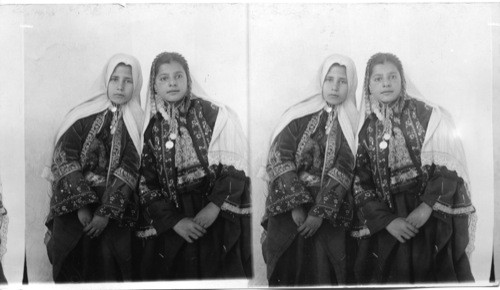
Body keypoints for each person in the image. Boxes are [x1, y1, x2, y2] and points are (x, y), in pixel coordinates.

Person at [351, 52, 476, 283]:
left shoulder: (426, 114)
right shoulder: (366, 129)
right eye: (378, 78)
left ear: (402, 80)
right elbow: (360, 182)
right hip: (389, 218)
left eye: (392, 77)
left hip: (427, 213)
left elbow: (447, 164)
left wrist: (427, 207)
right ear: (368, 85)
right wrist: (387, 221)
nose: (386, 83)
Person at [134, 52, 252, 280]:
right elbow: (146, 183)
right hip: (175, 217)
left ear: (188, 79)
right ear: (154, 86)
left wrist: (215, 206)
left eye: (178, 76)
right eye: (164, 78)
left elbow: (234, 162)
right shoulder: (150, 129)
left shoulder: (212, 113)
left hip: (214, 211)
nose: (172, 83)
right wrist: (175, 222)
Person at [261, 54, 359, 286]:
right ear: (321, 81)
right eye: (330, 79)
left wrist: (318, 212)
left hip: (329, 209)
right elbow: (280, 156)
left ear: (351, 84)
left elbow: (345, 167)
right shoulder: (297, 116)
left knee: (323, 271)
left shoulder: (352, 123)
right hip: (290, 204)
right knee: (289, 268)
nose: (335, 87)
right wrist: (295, 205)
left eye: (342, 81)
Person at [44, 53, 144, 282]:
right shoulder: (82, 115)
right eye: (115, 79)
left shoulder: (136, 122)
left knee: (109, 264)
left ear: (136, 83)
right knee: (72, 260)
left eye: (128, 81)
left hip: (115, 205)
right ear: (106, 80)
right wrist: (82, 206)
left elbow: (131, 166)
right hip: (74, 202)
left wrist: (105, 213)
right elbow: (65, 155)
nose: (120, 86)